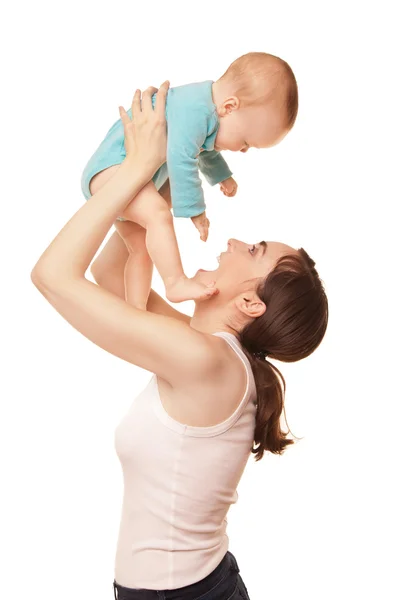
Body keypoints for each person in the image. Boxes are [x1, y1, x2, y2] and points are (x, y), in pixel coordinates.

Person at [31, 83, 328, 599]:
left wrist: (133, 169)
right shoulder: (212, 354)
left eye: (253, 249)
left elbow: (53, 274)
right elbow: (111, 272)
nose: (235, 240)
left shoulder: (206, 361)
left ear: (250, 305)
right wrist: (156, 173)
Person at [81, 52, 298, 308]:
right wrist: (195, 210)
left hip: (121, 176)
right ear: (229, 107)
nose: (242, 150)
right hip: (111, 169)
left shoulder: (205, 110)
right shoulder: (194, 109)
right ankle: (175, 282)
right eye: (246, 142)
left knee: (143, 249)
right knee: (160, 215)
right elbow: (182, 157)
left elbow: (204, 149)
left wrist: (222, 176)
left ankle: (136, 310)